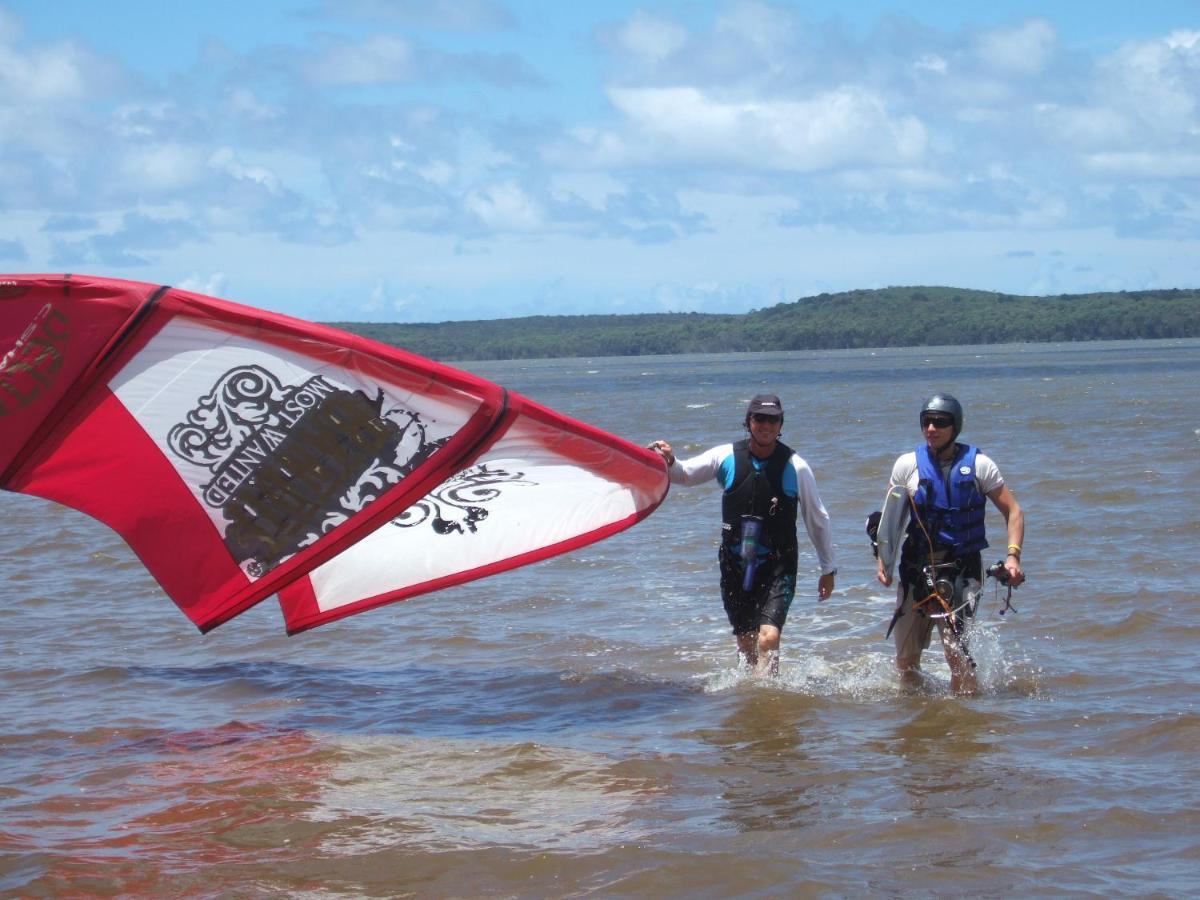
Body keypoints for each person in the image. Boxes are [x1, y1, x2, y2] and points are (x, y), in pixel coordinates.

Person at [649, 394, 837, 675]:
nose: (765, 425)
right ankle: (753, 704)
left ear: (780, 423)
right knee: (747, 642)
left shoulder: (796, 466)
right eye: (759, 418)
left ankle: (768, 699)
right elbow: (685, 475)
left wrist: (828, 568)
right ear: (749, 421)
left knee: (769, 637)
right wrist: (670, 459)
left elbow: (817, 518)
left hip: (778, 564)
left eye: (772, 419)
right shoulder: (726, 456)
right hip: (736, 563)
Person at [874, 393, 1025, 694]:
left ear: (955, 427)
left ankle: (964, 725)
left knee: (956, 655)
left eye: (940, 422)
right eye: (926, 422)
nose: (932, 428)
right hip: (916, 571)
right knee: (906, 662)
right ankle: (917, 727)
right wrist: (883, 561)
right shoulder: (907, 465)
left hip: (961, 572)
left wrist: (1013, 558)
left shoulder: (980, 466)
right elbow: (889, 520)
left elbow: (1014, 511)